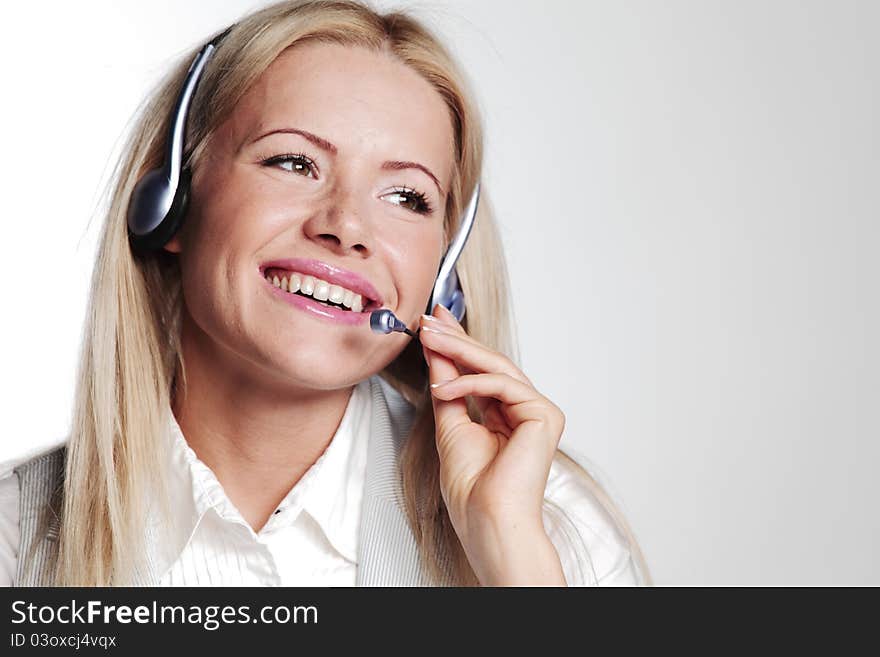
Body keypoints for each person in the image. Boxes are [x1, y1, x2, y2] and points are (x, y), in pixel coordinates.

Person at [0, 0, 651, 587]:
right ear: (170, 202)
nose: (345, 227)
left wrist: (516, 566)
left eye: (406, 196)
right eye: (293, 162)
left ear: (444, 274)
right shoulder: (18, 540)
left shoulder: (553, 529)